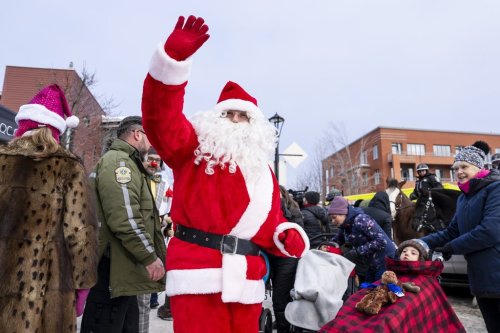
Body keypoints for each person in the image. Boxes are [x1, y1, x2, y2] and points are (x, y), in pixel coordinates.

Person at [141, 15, 309, 333]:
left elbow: (267, 223)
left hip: (246, 280)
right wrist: (171, 63)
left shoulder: (263, 171)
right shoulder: (191, 148)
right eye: (227, 113)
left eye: (242, 115)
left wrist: (283, 235)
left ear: (254, 124)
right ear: (214, 117)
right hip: (197, 275)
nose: (233, 119)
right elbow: (159, 118)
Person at [0, 84, 99, 332]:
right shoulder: (68, 168)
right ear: (57, 130)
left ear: (23, 126)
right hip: (47, 291)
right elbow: (80, 234)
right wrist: (83, 286)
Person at [80, 116, 167, 333]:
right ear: (137, 134)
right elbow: (124, 219)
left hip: (123, 271)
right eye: (149, 135)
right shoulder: (120, 164)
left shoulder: (130, 164)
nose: (152, 141)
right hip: (113, 271)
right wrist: (149, 257)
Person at [420, 141, 500, 333]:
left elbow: (490, 230)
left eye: (464, 167)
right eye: (455, 168)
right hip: (481, 278)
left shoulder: (495, 189)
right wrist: (421, 242)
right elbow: (451, 231)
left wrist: (451, 247)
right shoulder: (464, 197)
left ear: (479, 167)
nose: (459, 172)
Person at [328, 196, 396, 283]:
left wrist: (357, 252)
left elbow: (381, 240)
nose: (333, 221)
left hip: (384, 261)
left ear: (343, 213)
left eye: (334, 217)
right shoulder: (344, 225)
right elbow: (338, 239)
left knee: (378, 290)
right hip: (370, 263)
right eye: (331, 219)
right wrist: (328, 245)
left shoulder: (361, 220)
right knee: (366, 290)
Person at [267, 185, 304, 333]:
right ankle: (284, 322)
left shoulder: (293, 211)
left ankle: (285, 327)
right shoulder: (268, 210)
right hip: (270, 257)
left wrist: (281, 207)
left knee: (280, 298)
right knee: (277, 295)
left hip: (287, 259)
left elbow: (297, 234)